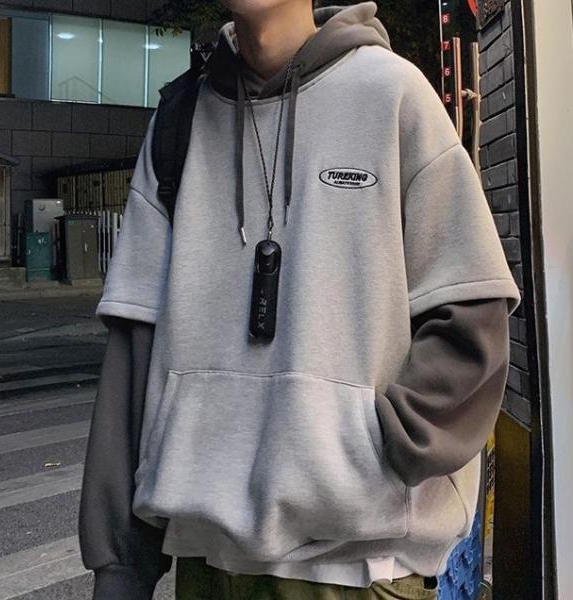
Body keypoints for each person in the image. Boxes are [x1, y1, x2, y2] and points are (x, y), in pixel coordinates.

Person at [78, 1, 522, 599]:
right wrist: (120, 567)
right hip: (208, 567)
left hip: (360, 573)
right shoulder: (180, 122)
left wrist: (385, 450)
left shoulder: (392, 94)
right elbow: (135, 344)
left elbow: (472, 308)